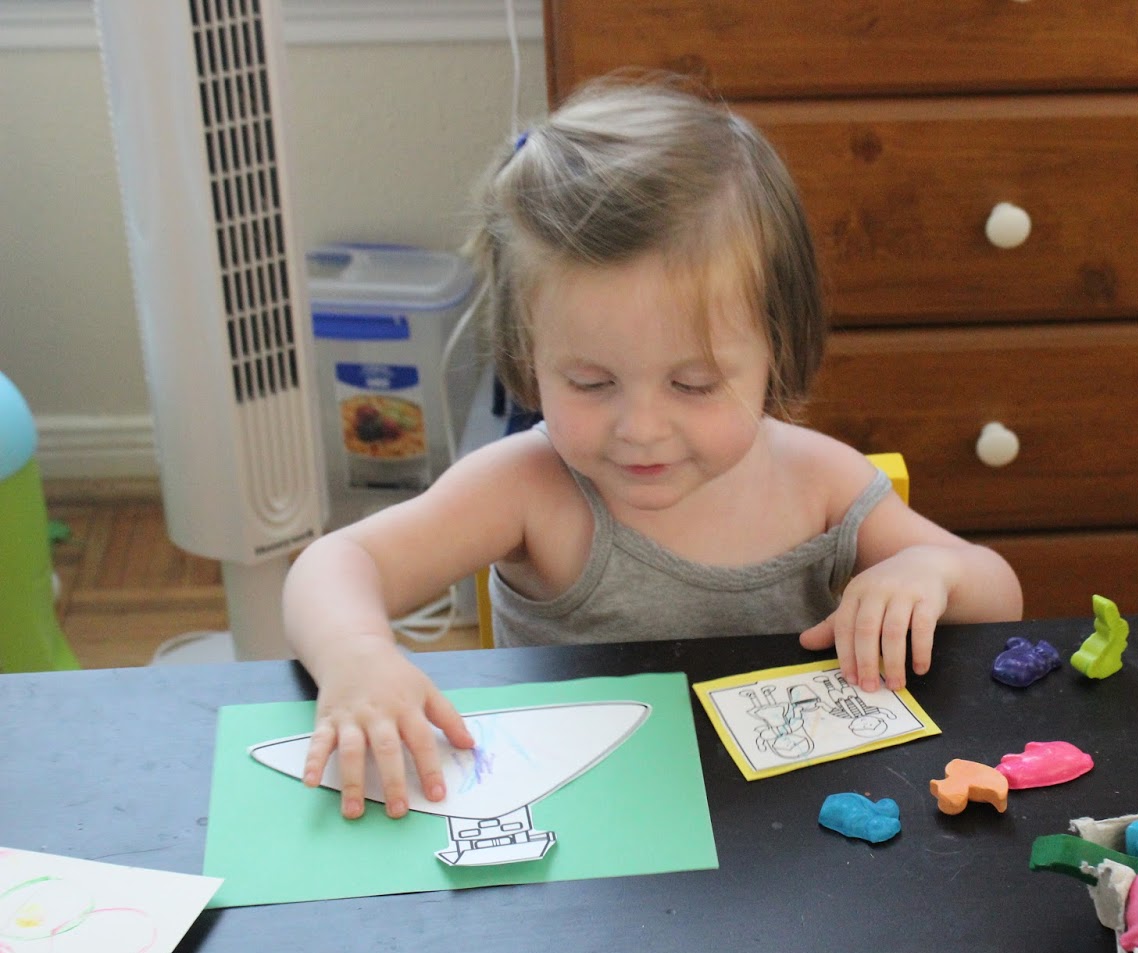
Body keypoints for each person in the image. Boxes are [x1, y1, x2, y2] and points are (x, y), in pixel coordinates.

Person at [282, 76, 1023, 820]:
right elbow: (338, 563)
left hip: (792, 848)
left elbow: (998, 593)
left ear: (778, 350)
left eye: (694, 384)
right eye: (591, 381)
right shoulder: (528, 488)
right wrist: (357, 658)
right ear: (526, 353)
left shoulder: (820, 482)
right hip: (586, 833)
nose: (640, 428)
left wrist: (929, 570)